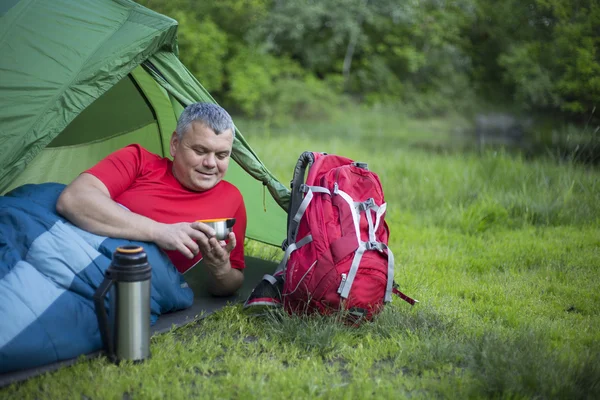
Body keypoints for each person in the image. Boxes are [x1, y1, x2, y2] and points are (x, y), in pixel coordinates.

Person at [56, 102, 246, 296]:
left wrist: (221, 269)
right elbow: (73, 199)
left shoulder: (232, 200)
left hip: (129, 286)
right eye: (199, 151)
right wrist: (159, 231)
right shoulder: (138, 160)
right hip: (73, 255)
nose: (210, 163)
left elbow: (232, 283)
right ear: (175, 144)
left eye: (222, 155)